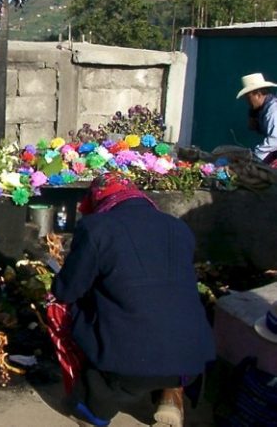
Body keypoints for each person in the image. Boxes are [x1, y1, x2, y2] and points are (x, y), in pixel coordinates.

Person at [51, 173, 215, 427]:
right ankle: (172, 394)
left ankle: (94, 410)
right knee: (168, 308)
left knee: (85, 315)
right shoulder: (177, 227)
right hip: (192, 359)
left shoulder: (97, 228)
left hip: (129, 364)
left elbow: (67, 290)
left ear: (97, 199)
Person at [237, 72, 277, 166]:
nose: (247, 101)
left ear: (258, 95)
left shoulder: (273, 111)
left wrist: (255, 156)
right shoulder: (262, 110)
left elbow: (275, 139)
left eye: (248, 98)